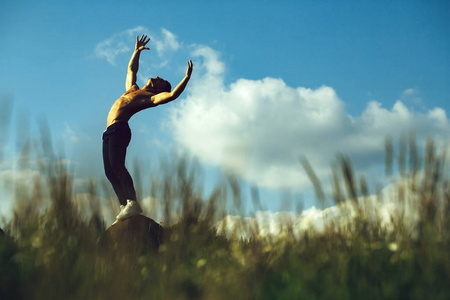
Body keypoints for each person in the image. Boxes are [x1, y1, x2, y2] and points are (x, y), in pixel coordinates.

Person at [102, 34, 193, 222]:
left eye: (161, 80)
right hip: (108, 132)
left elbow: (172, 95)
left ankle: (133, 202)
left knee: (117, 166)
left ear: (159, 89)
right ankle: (124, 205)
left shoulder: (149, 98)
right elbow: (131, 69)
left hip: (120, 129)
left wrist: (186, 78)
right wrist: (136, 52)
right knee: (109, 171)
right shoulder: (132, 89)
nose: (158, 76)